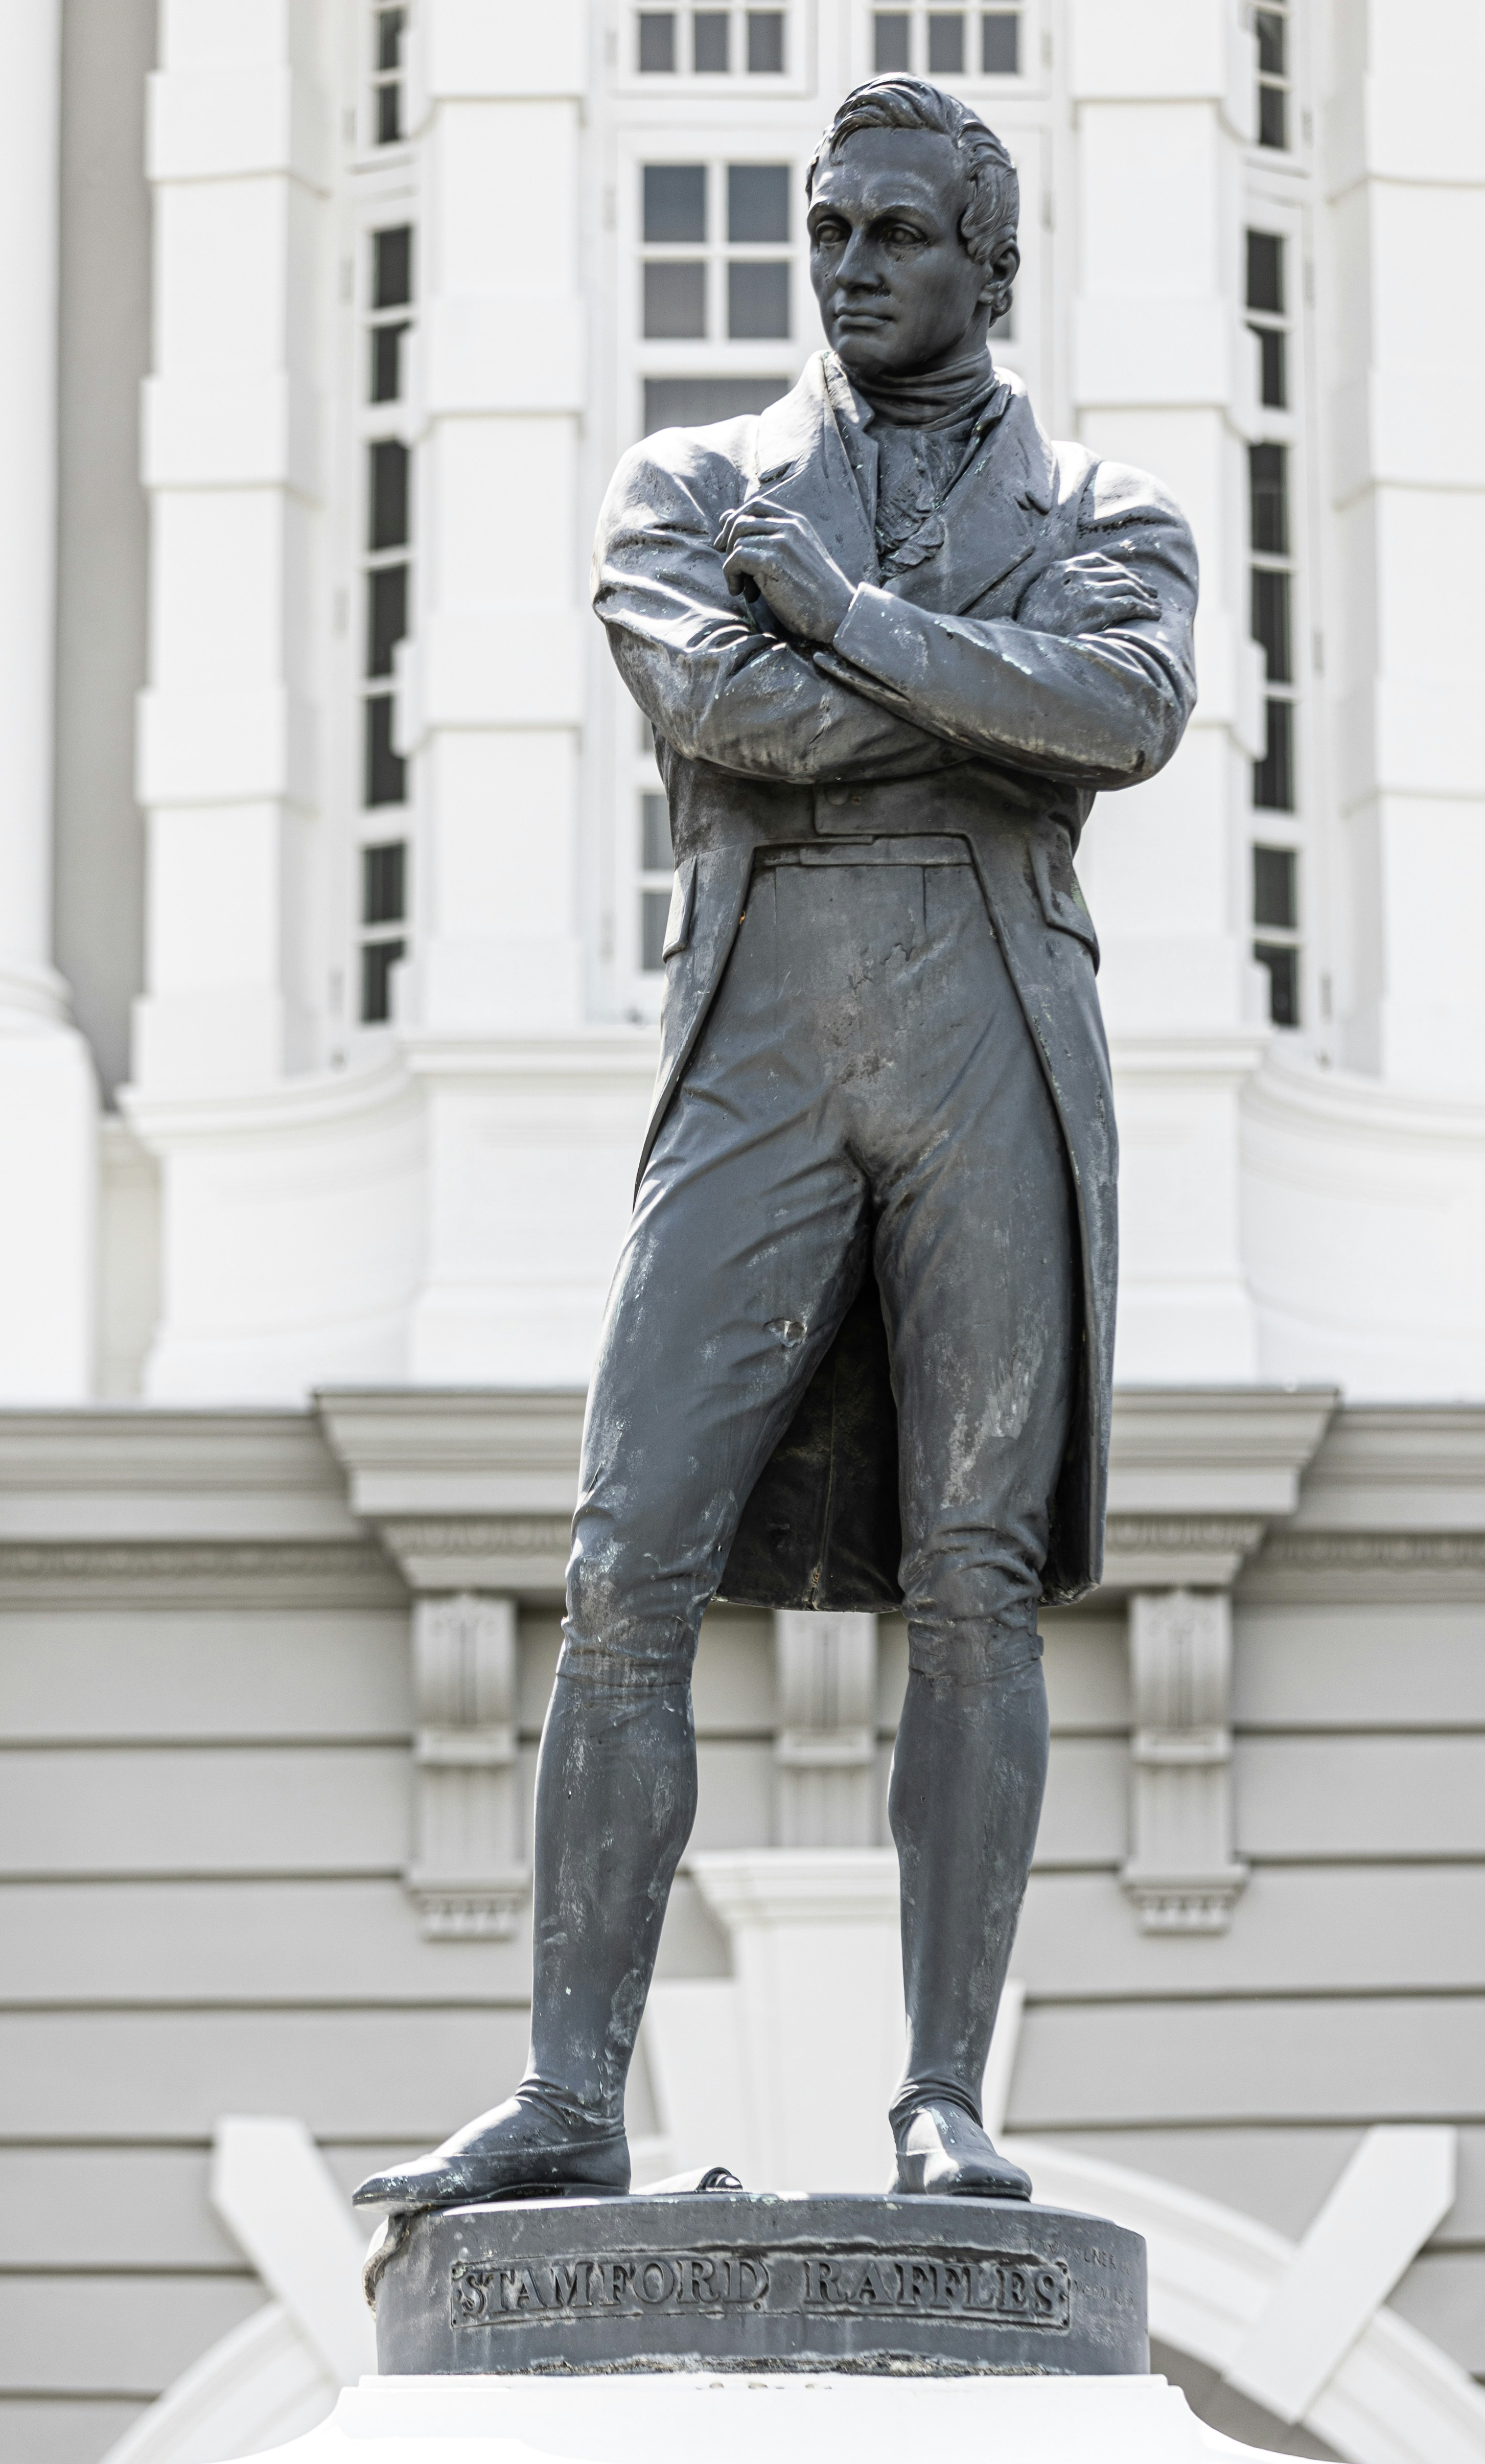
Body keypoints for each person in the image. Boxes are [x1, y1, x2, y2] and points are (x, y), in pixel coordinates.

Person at [355, 74, 1196, 2216]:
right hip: (764, 1030)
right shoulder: (690, 483)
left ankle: (944, 2096)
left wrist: (844, 622)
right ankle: (569, 2091)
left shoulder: (1112, 506)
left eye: (894, 232)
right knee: (624, 1547)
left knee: (976, 1572)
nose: (845, 267)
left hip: (994, 1028)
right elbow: (721, 714)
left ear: (990, 258)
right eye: (825, 229)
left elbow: (1121, 716)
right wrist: (972, 703)